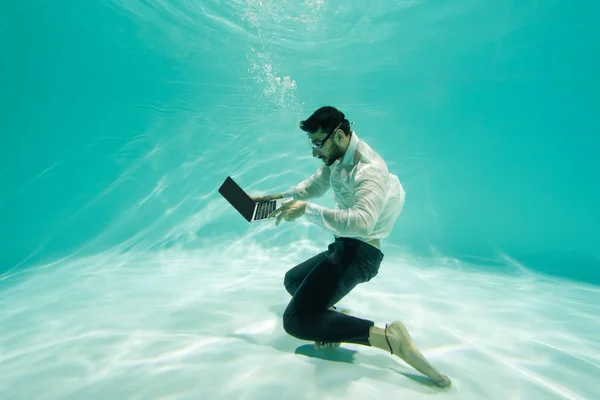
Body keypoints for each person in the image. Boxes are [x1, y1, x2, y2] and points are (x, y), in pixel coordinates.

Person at [251, 106, 451, 388]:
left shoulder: (369, 170)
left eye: (318, 144)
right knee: (293, 280)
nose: (314, 152)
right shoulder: (338, 157)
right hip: (344, 248)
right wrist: (277, 197)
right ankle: (329, 320)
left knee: (295, 320)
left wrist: (306, 211)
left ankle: (389, 338)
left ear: (340, 135)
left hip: (361, 255)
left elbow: (362, 224)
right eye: (311, 144)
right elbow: (316, 185)